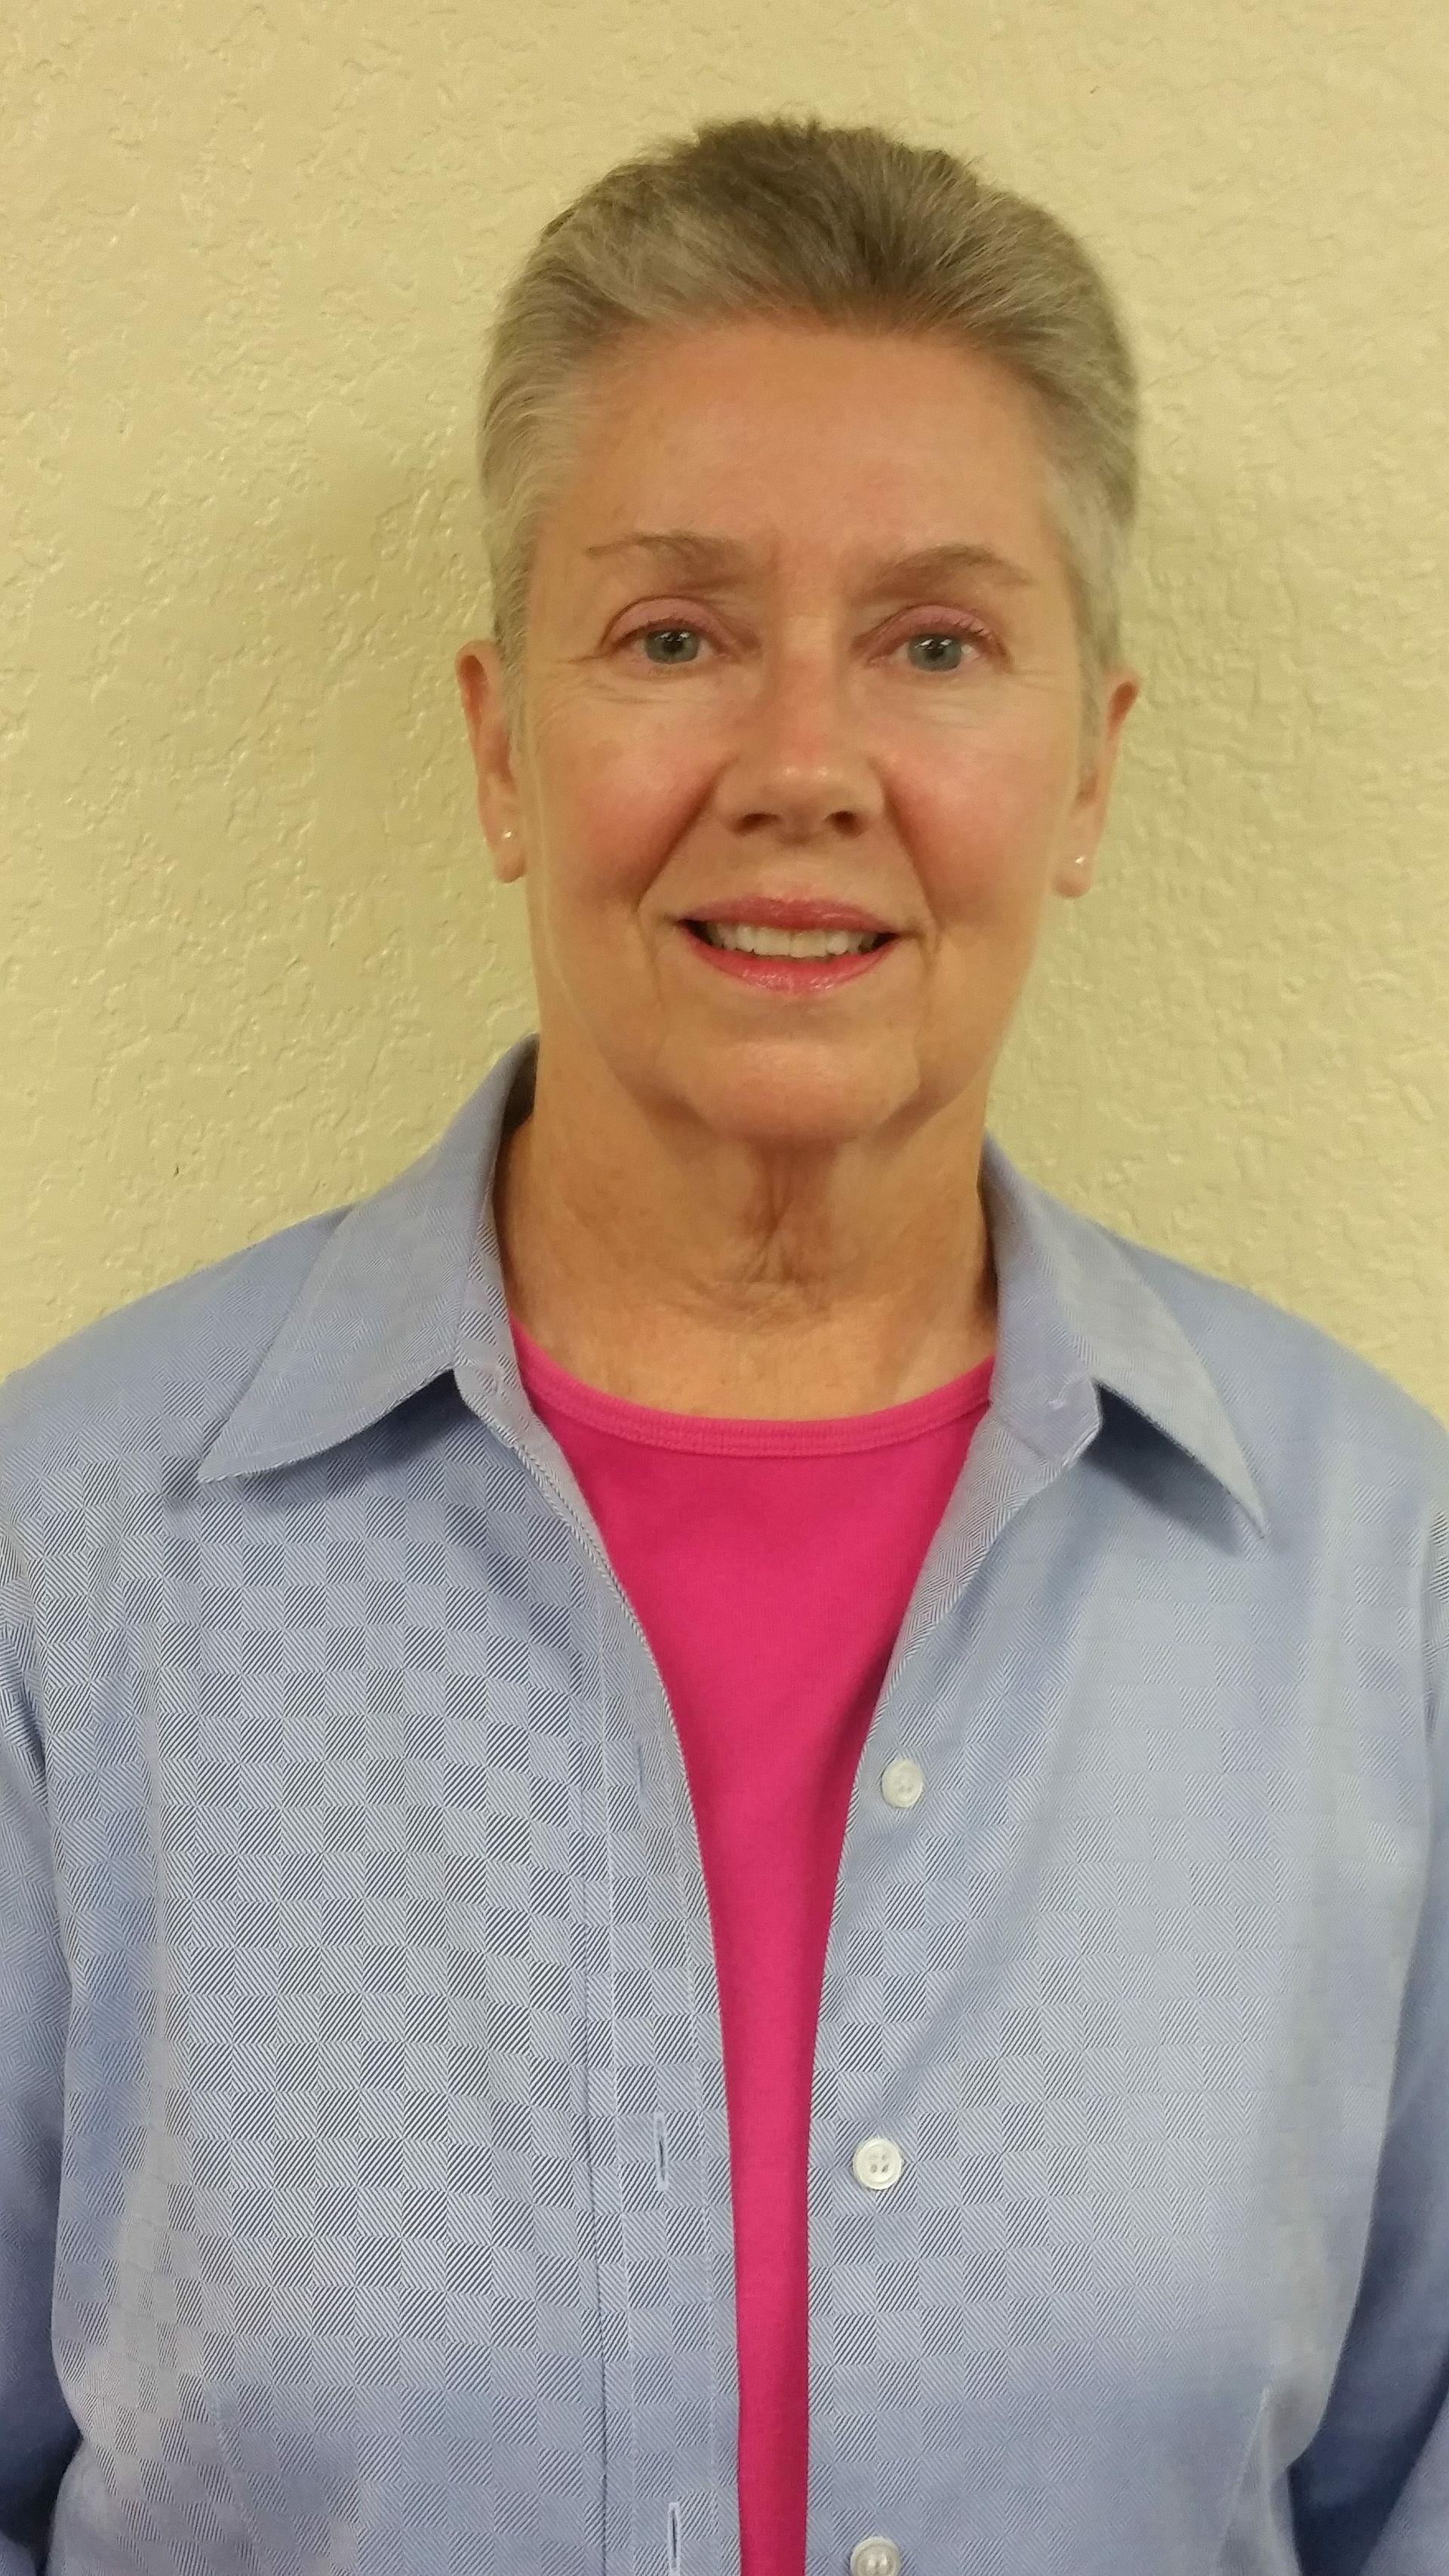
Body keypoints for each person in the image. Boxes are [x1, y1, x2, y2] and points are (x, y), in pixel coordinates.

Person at [1, 111, 1445, 2576]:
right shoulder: (71, 1557)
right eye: (674, 634)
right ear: (497, 742)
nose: (800, 768)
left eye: (938, 646)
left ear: (1090, 764)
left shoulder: (1368, 1577)